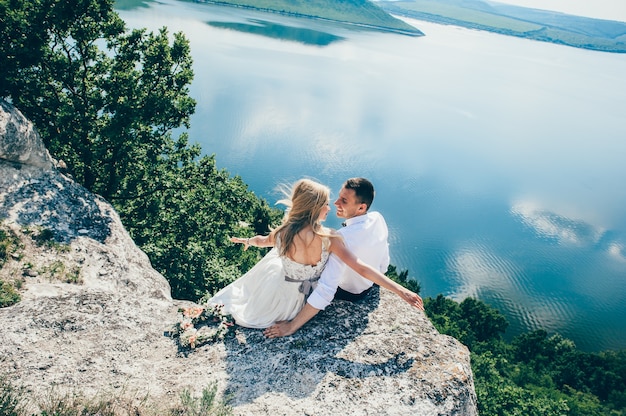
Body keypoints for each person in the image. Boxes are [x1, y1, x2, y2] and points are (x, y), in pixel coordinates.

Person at [208, 178, 423, 330]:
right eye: (327, 203)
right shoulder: (330, 238)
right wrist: (400, 290)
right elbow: (360, 267)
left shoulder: (284, 232)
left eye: (340, 201)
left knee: (273, 258)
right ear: (314, 209)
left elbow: (263, 241)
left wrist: (247, 241)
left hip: (280, 287)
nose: (331, 207)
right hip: (300, 298)